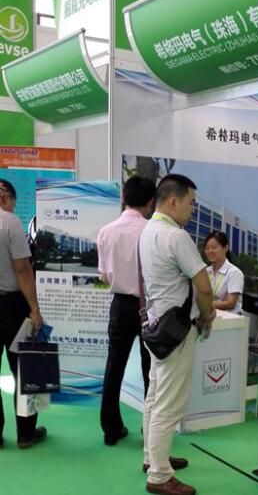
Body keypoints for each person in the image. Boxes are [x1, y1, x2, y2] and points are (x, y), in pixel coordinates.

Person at [140, 174, 215, 495]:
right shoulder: (176, 236)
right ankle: (159, 475)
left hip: (157, 326)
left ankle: (152, 458)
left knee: (155, 395)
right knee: (168, 405)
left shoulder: (148, 231)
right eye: (191, 203)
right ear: (173, 201)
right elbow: (204, 286)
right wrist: (208, 314)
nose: (192, 209)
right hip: (177, 331)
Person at [97, 176, 156, 446]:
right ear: (151, 202)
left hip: (120, 305)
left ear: (124, 198)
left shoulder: (106, 231)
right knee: (150, 370)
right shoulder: (153, 231)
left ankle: (111, 429)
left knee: (114, 366)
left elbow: (104, 276)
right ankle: (150, 432)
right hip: (148, 307)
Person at [0, 179, 46, 449]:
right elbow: (22, 269)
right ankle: (26, 433)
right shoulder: (10, 222)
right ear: (8, 198)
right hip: (13, 306)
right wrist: (35, 309)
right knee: (26, 369)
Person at [204, 231, 244, 314]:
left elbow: (231, 303)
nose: (210, 251)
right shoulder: (206, 271)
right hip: (210, 316)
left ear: (225, 248)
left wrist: (205, 305)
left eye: (214, 247)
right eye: (207, 248)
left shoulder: (234, 272)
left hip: (230, 318)